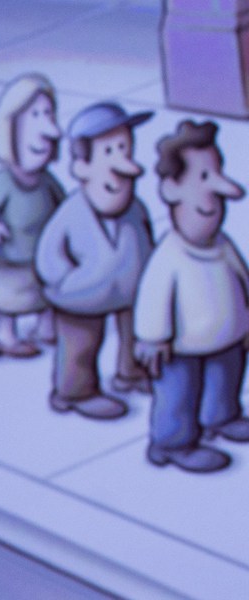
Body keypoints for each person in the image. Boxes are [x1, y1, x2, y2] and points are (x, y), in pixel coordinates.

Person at [135, 119, 249, 472]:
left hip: (228, 340)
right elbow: (153, 295)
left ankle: (221, 417)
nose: (216, 192)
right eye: (203, 178)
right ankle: (172, 442)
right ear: (172, 189)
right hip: (180, 349)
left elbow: (242, 279)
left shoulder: (223, 245)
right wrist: (153, 336)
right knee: (178, 394)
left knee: (223, 382)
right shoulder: (169, 255)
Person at [35, 102, 154, 420]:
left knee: (136, 334)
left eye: (124, 149)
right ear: (82, 167)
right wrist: (66, 282)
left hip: (130, 292)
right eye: (109, 151)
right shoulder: (73, 212)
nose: (122, 163)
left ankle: (131, 372)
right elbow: (49, 254)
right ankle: (75, 391)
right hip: (82, 297)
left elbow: (146, 235)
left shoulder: (134, 209)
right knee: (81, 343)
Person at [0, 73, 64, 357]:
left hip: (42, 258)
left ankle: (45, 326)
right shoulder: (4, 182)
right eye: (35, 114)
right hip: (12, 257)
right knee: (11, 298)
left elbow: (62, 207)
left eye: (48, 114)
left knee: (42, 293)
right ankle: (5, 333)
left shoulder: (47, 182)